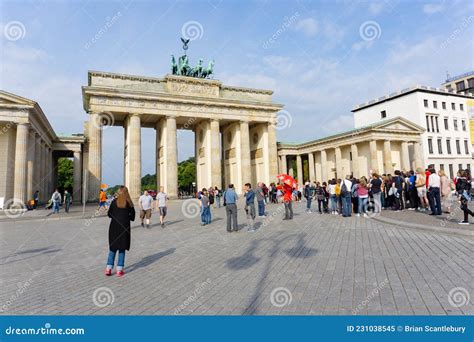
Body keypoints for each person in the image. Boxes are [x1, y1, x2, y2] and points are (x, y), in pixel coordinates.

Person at [105, 186, 135, 277]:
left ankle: (108, 269)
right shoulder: (129, 203)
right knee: (122, 248)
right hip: (124, 228)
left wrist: (115, 216)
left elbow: (109, 214)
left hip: (114, 227)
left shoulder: (114, 202)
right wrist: (126, 217)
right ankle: (119, 270)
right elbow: (132, 216)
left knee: (112, 248)